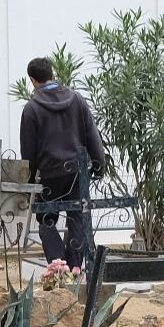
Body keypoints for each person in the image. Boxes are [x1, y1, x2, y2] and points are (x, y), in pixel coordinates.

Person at [18, 56, 109, 270]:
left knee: (46, 220)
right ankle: (75, 268)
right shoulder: (77, 99)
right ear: (52, 74)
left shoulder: (31, 109)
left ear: (32, 80)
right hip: (78, 172)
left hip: (50, 174)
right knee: (77, 217)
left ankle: (59, 268)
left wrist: (29, 181)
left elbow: (28, 152)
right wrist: (99, 165)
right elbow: (93, 136)